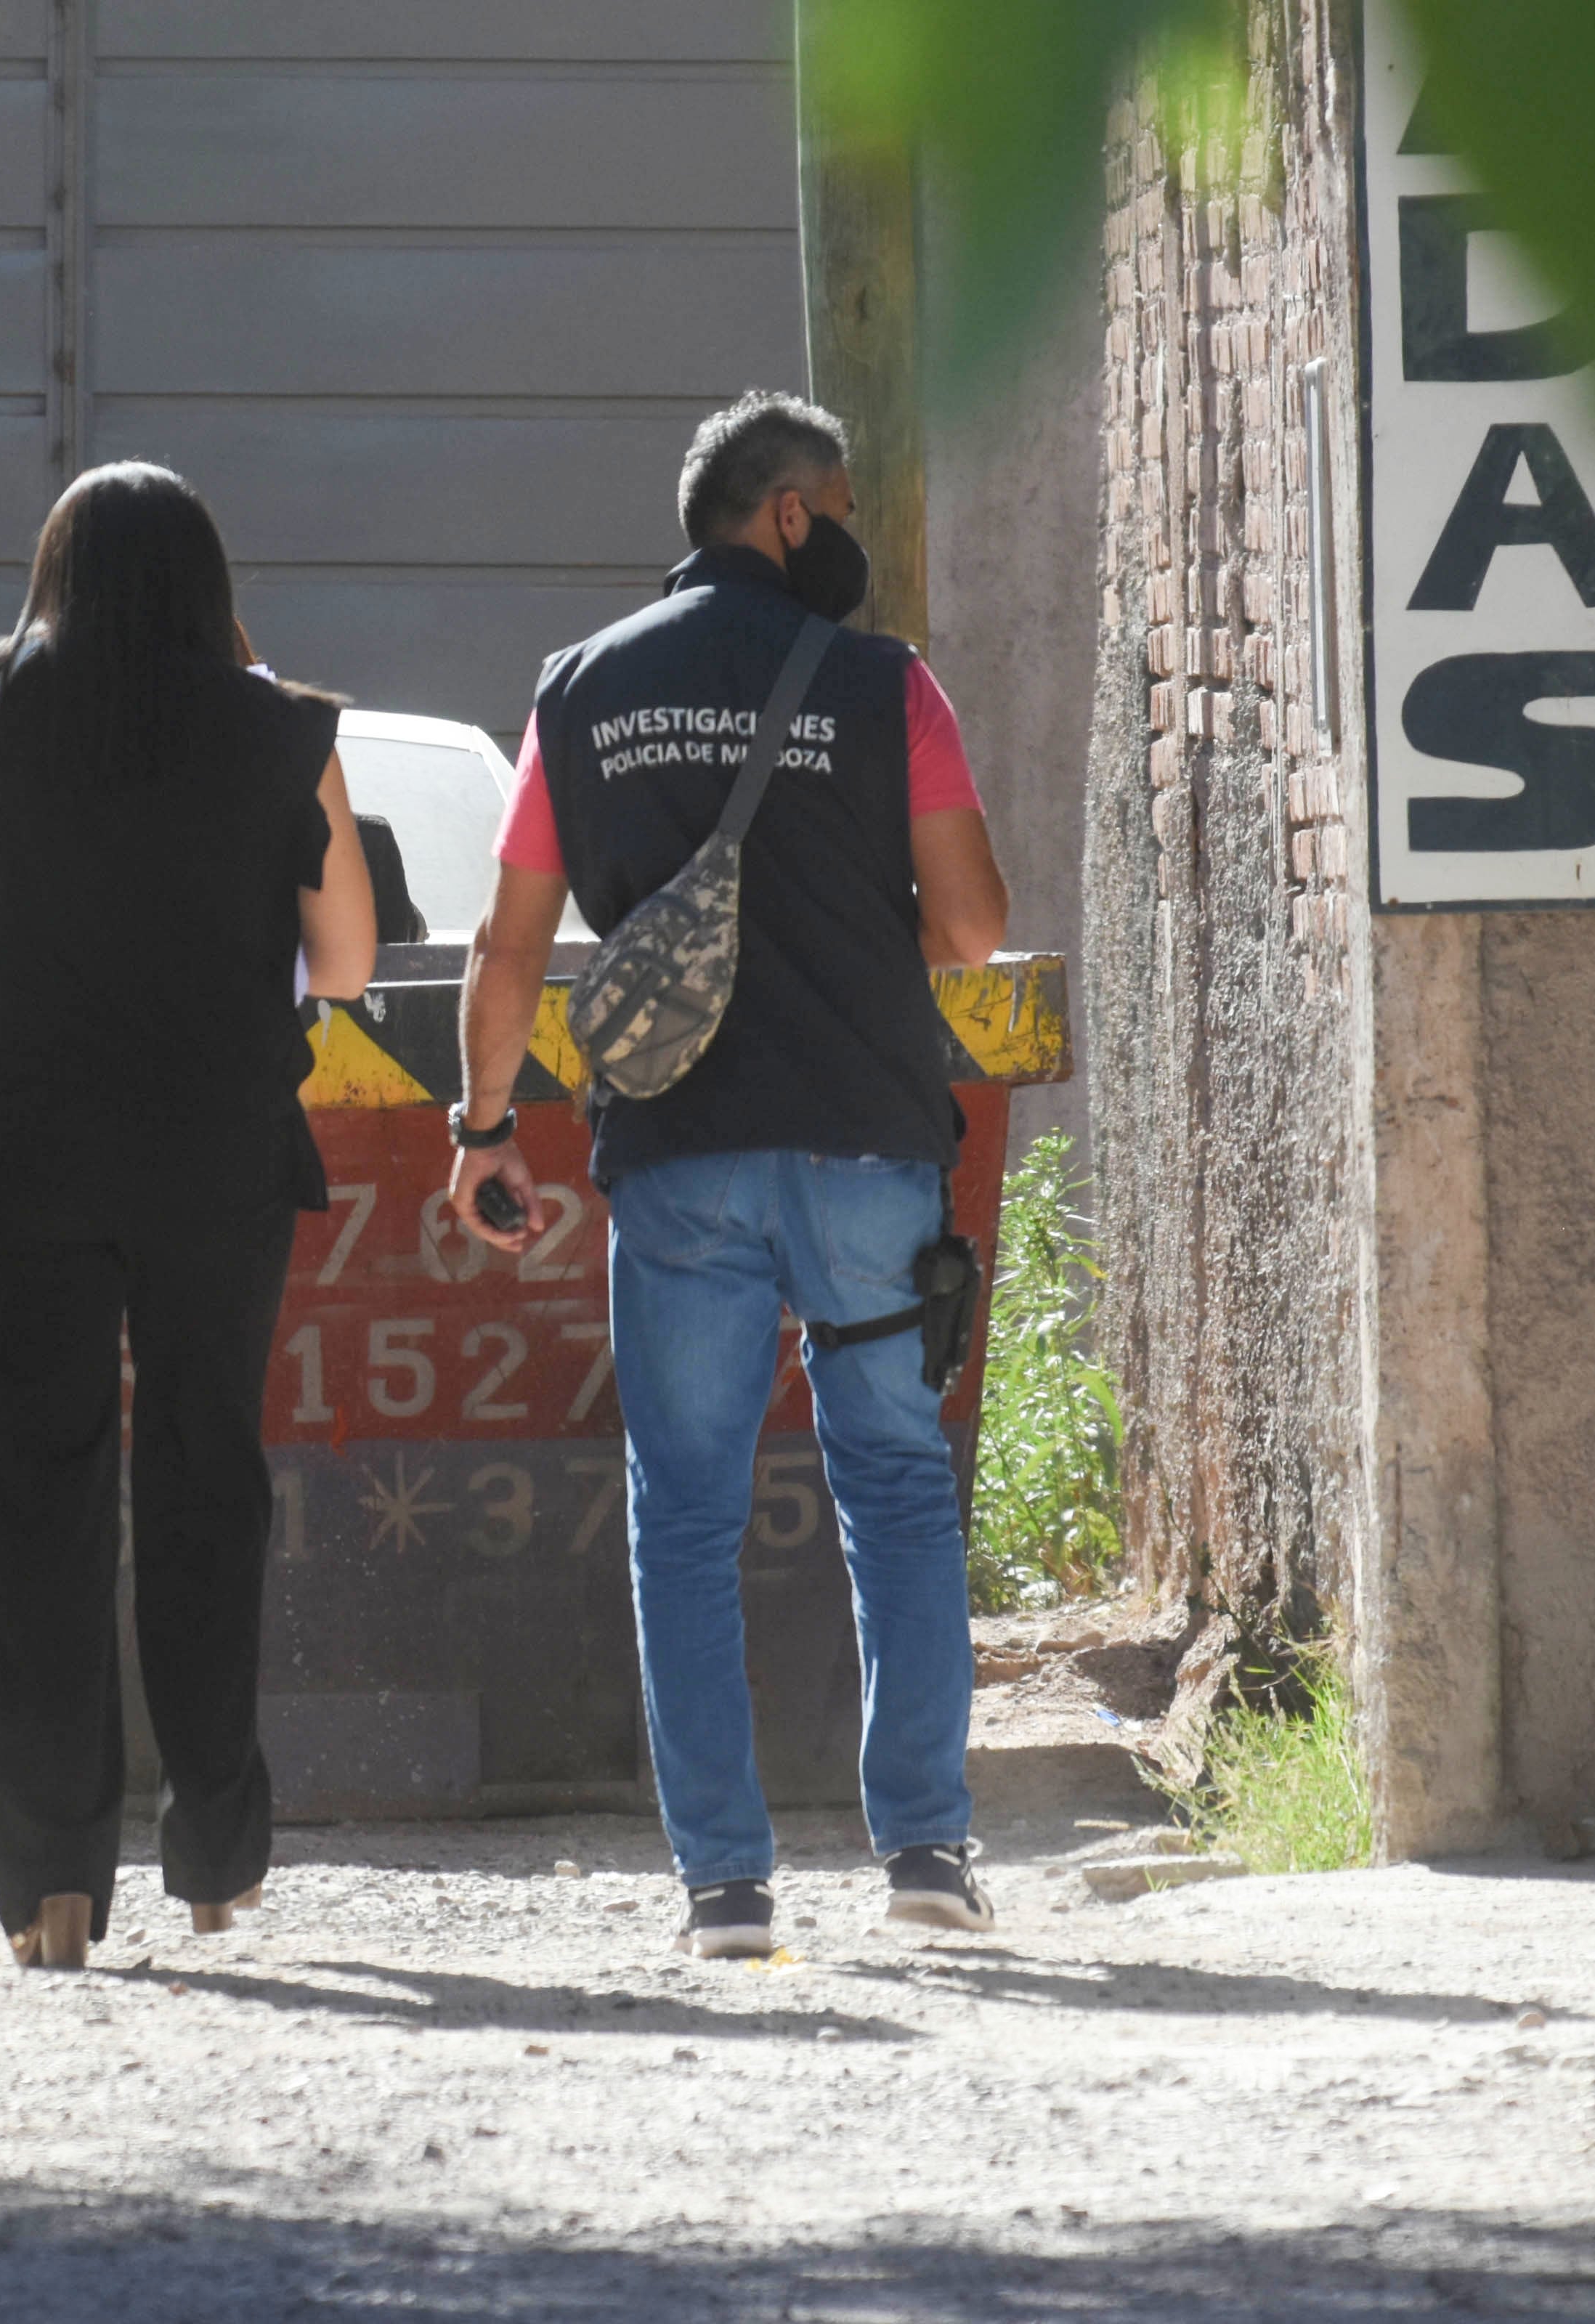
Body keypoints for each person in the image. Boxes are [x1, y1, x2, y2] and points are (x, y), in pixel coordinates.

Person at [0, 462, 378, 1971]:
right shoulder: (286, 726)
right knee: (204, 1480)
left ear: (56, 572)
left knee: (45, 1492)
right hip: (218, 1156)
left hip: (26, 1153)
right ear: (210, 579)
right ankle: (216, 1853)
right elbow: (355, 961)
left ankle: (52, 1883)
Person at [445, 391, 1012, 1959]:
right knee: (897, 1485)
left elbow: (511, 947)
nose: (850, 536)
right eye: (836, 506)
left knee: (684, 1509)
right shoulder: (889, 686)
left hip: (679, 1157)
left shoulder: (581, 690)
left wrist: (482, 1128)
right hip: (864, 1142)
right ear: (786, 515)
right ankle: (926, 1855)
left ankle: (728, 1887)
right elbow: (972, 928)